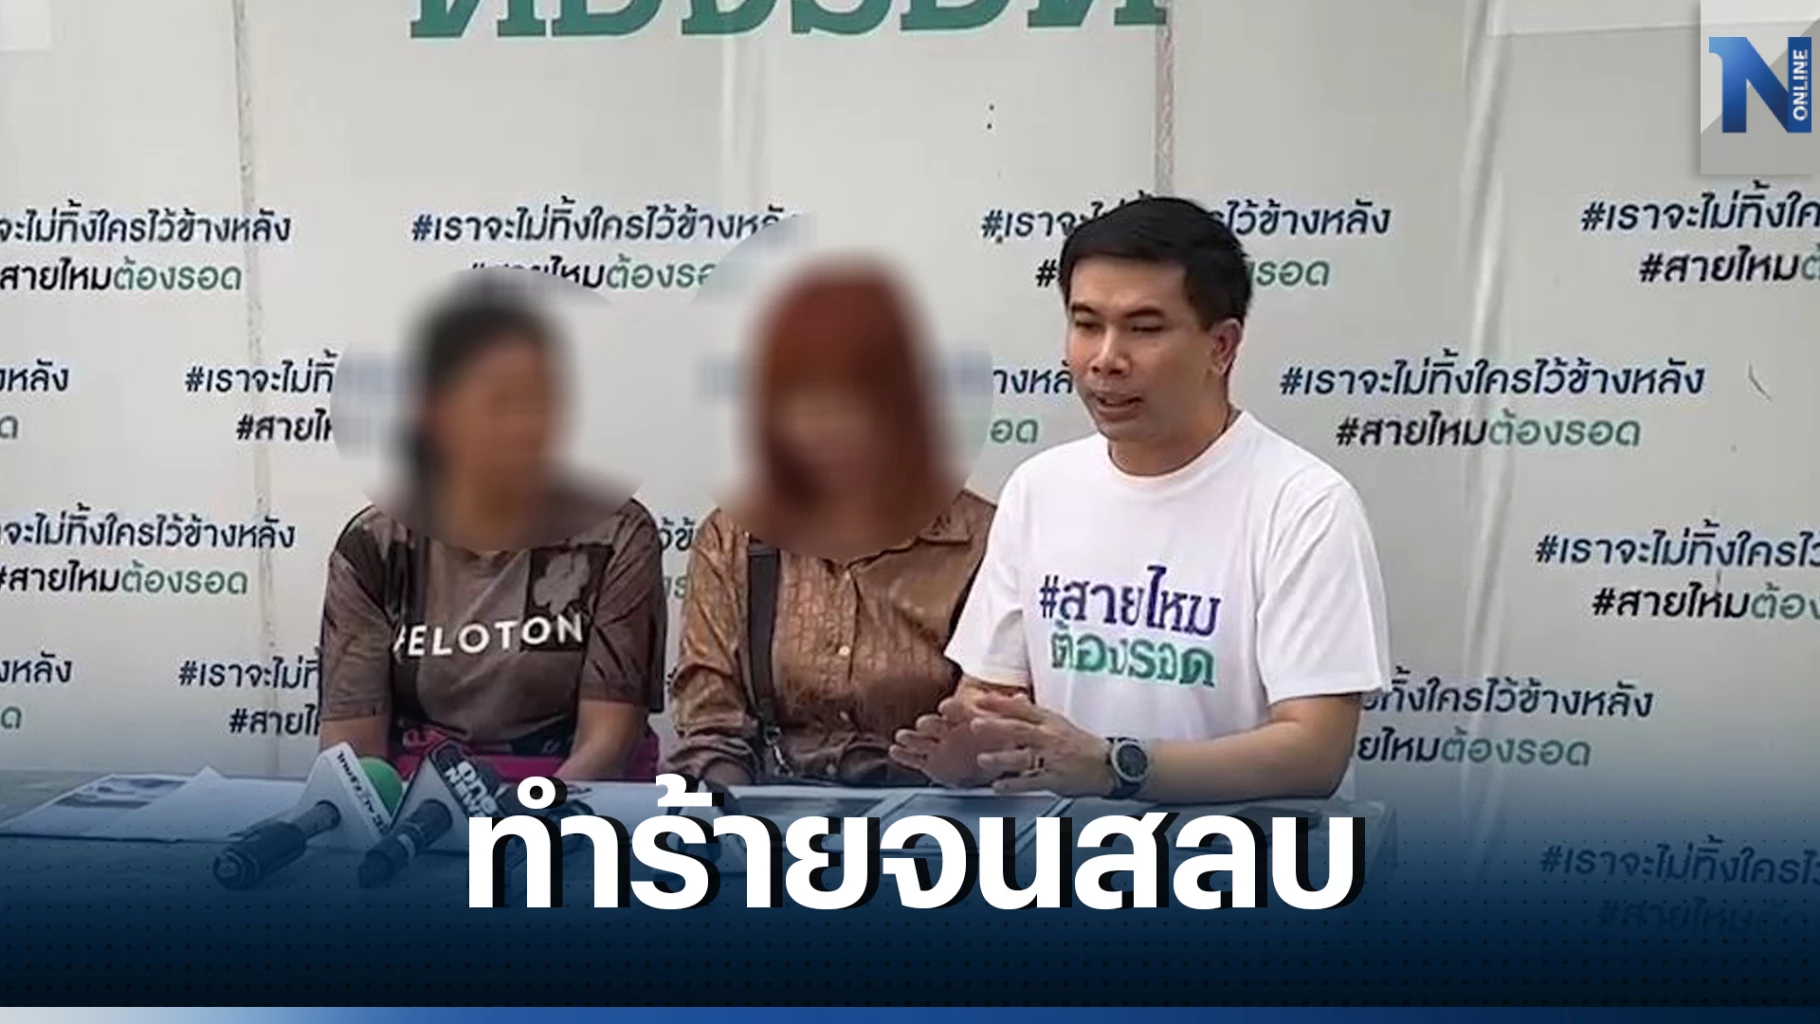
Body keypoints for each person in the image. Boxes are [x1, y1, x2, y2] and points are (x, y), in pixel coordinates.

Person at [890, 197, 1390, 803]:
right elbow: (991, 695)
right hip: (1071, 853)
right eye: (1086, 324)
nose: (1106, 359)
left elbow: (1313, 752)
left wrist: (1117, 768)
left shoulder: (1304, 505)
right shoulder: (1039, 487)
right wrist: (973, 748)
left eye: (1144, 329)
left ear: (1222, 347)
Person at [317, 282, 665, 783]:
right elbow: (353, 752)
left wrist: (526, 818)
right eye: (501, 404)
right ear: (433, 414)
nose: (527, 427)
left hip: (569, 798)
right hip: (419, 796)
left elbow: (608, 742)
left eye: (543, 401)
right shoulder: (374, 548)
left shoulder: (616, 535)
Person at [667, 261, 995, 787]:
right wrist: (737, 819)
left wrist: (958, 765)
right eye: (797, 399)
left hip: (930, 813)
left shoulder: (981, 541)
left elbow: (992, 727)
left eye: (850, 398)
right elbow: (711, 726)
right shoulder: (734, 538)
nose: (821, 424)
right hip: (766, 808)